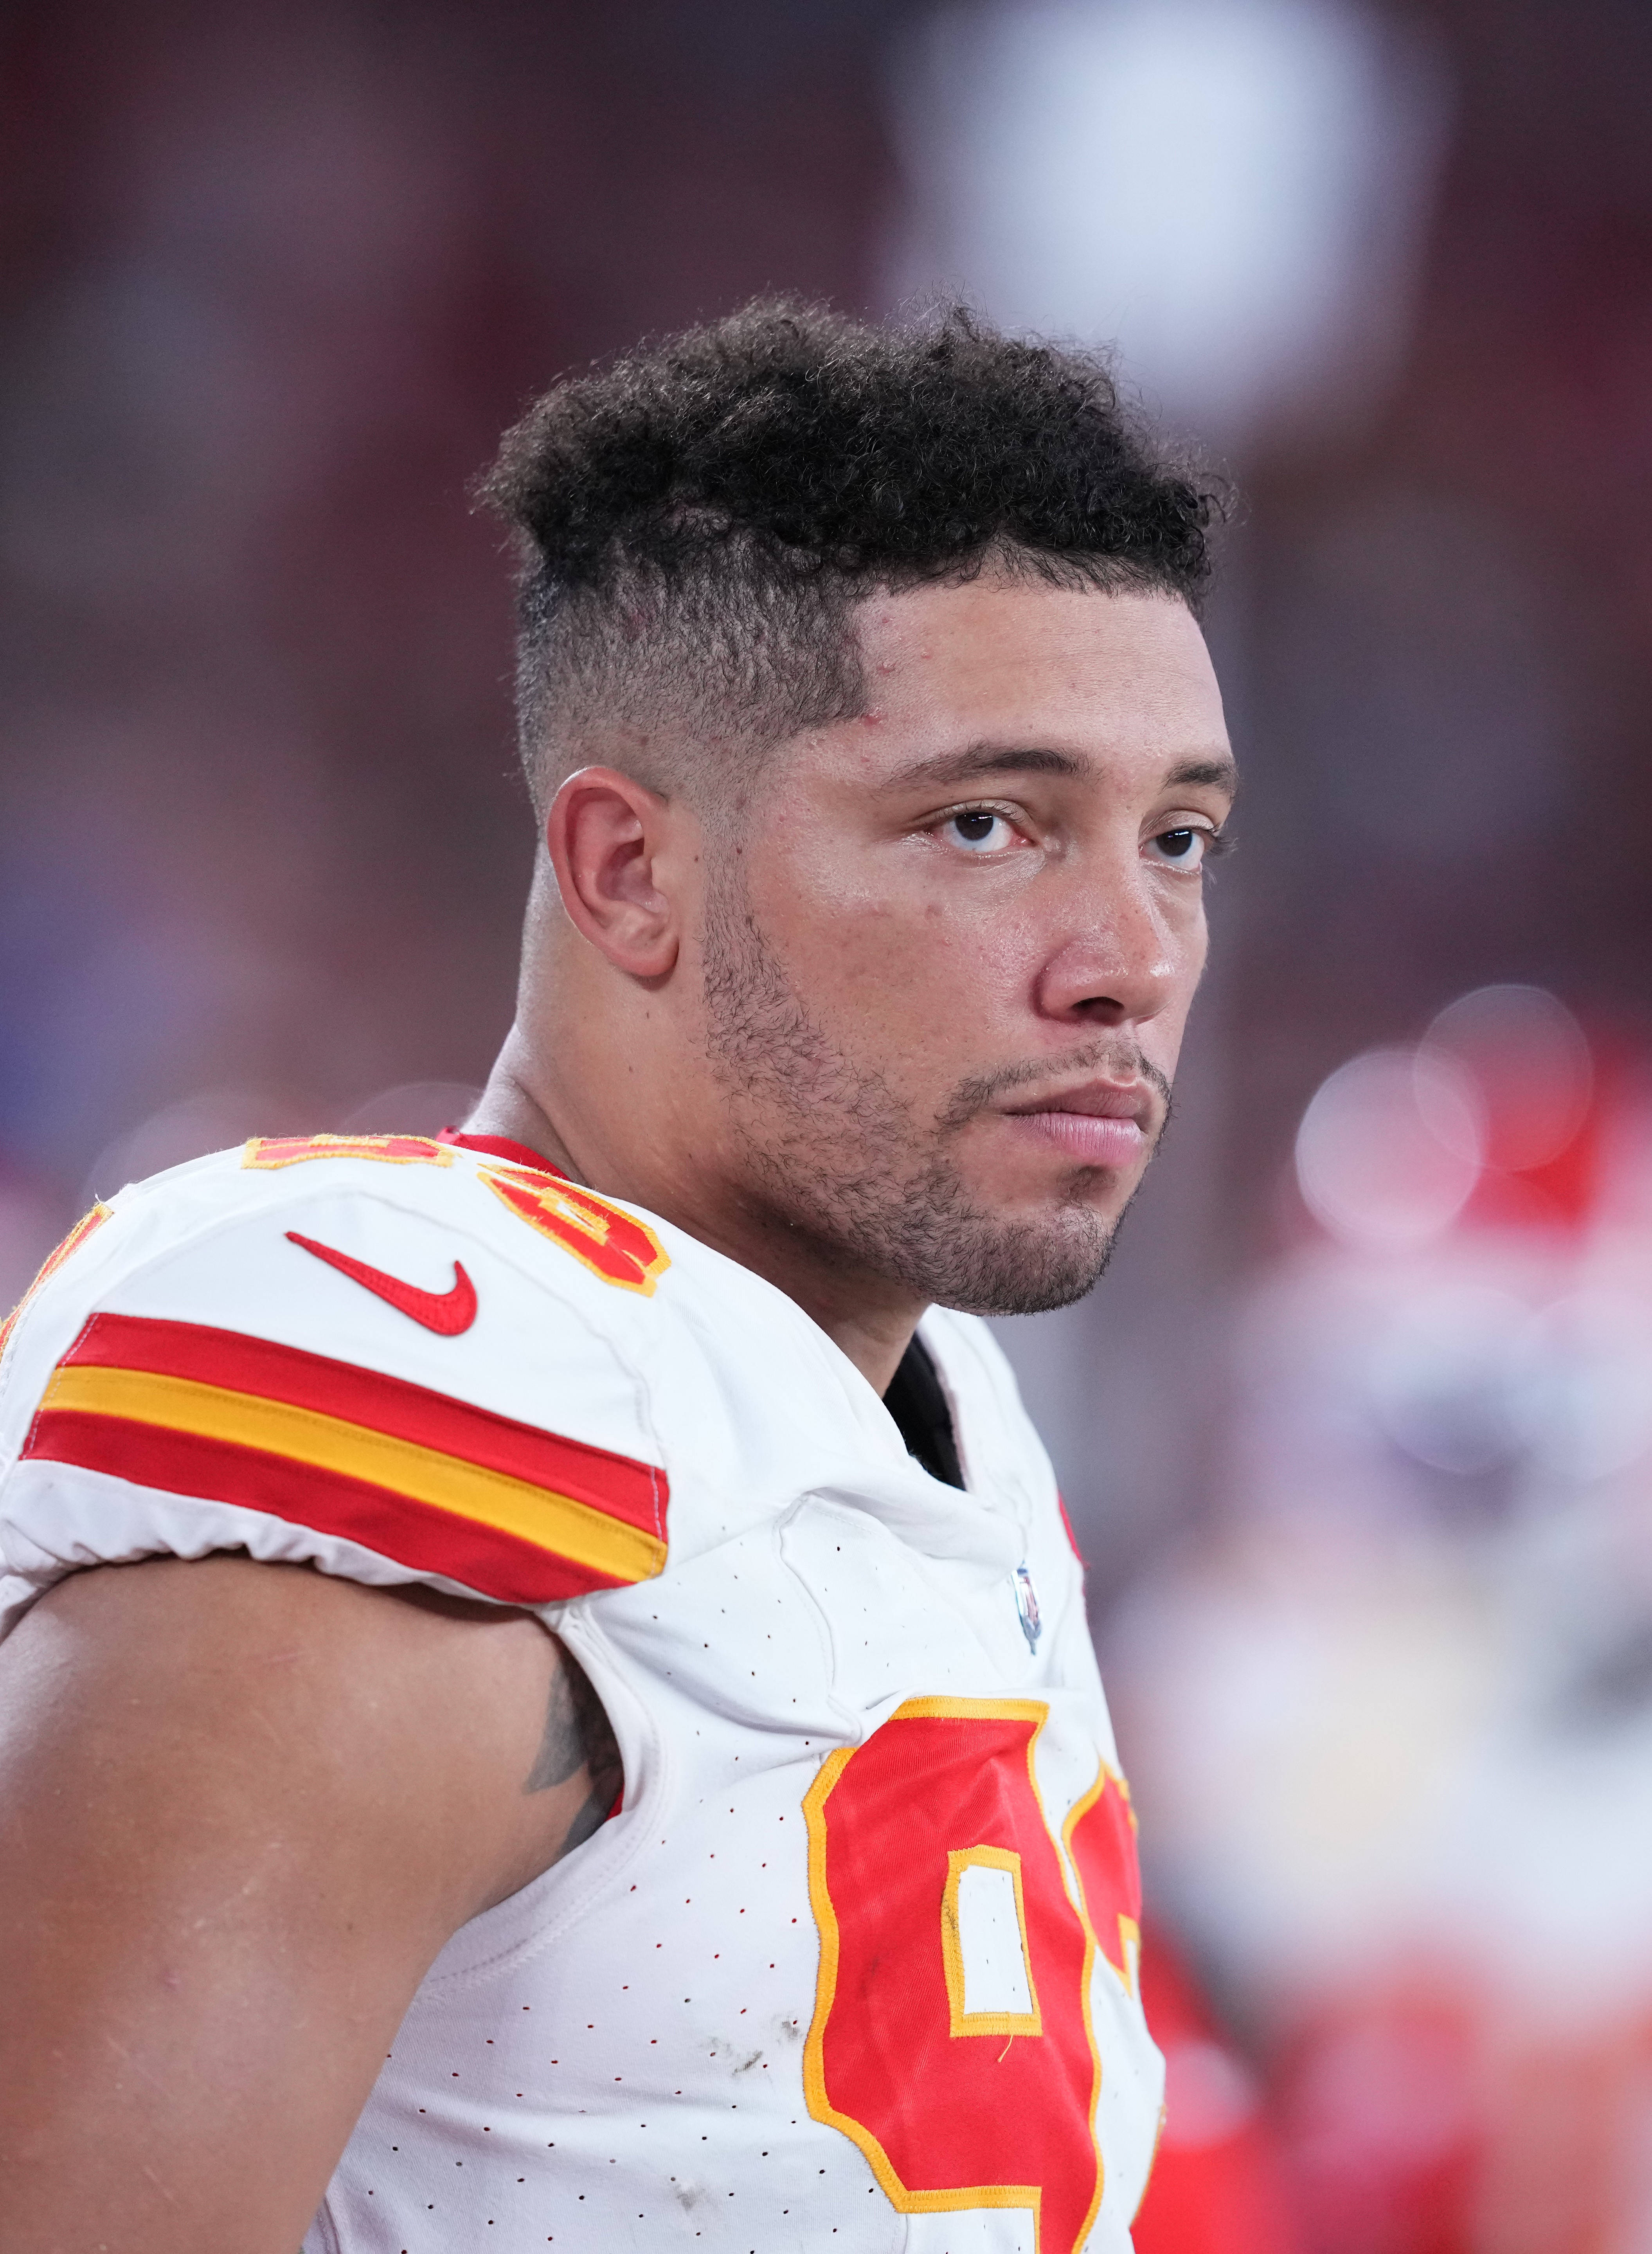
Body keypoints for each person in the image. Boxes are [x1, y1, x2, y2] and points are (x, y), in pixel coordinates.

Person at [0, 301, 1233, 2254]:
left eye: (1176, 836)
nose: (1130, 957)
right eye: (986, 825)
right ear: (628, 872)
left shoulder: (931, 1415)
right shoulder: (437, 1412)